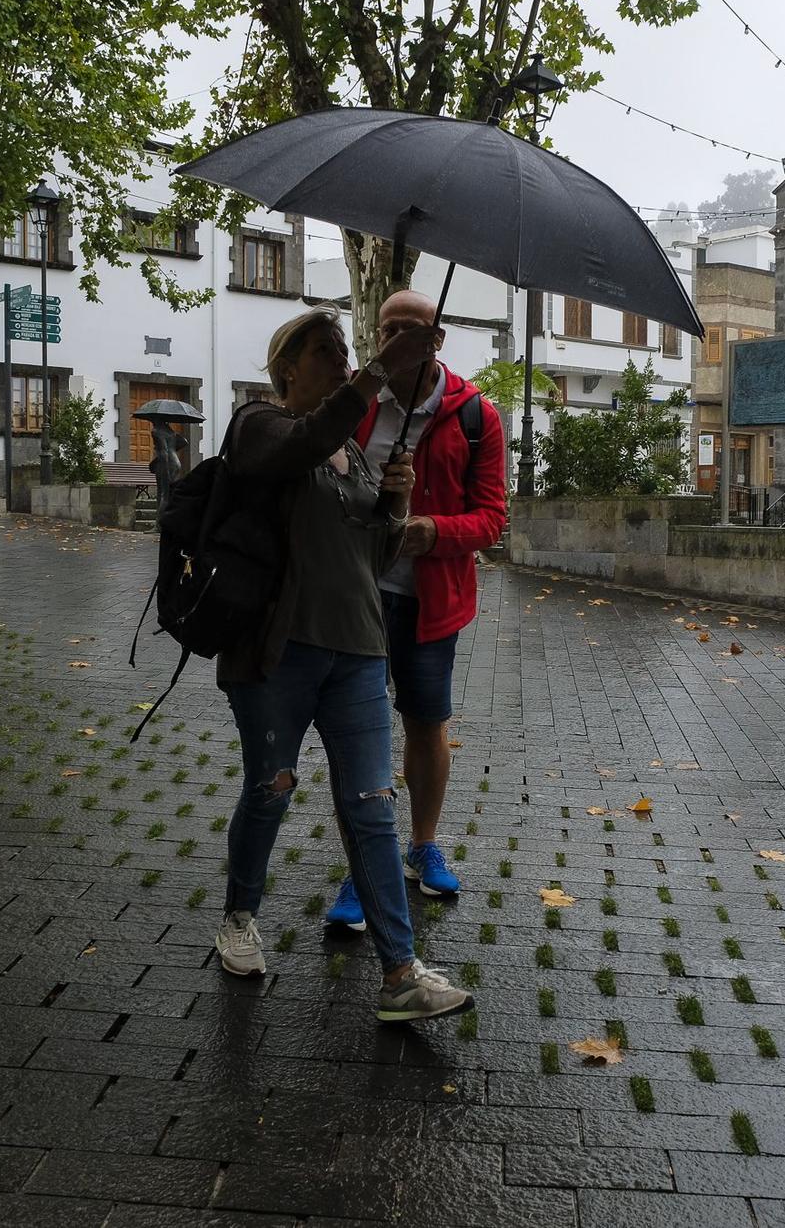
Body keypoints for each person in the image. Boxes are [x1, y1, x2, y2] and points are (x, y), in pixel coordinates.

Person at [211, 303, 472, 1024]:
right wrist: (385, 370)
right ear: (287, 369)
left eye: (345, 350)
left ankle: (399, 971)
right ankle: (239, 915)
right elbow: (304, 443)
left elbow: (372, 557)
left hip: (359, 650)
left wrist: (395, 504)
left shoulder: (351, 453)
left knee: (372, 807)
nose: (344, 361)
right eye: (326, 351)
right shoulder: (261, 426)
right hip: (278, 650)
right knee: (271, 788)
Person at [326, 289, 507, 931]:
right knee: (359, 734)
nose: (399, 337)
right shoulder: (352, 403)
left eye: (414, 328)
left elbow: (491, 518)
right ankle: (363, 863)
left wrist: (432, 532)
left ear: (438, 338)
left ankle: (422, 844)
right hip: (354, 596)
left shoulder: (475, 415)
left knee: (425, 724)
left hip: (431, 601)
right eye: (388, 327)